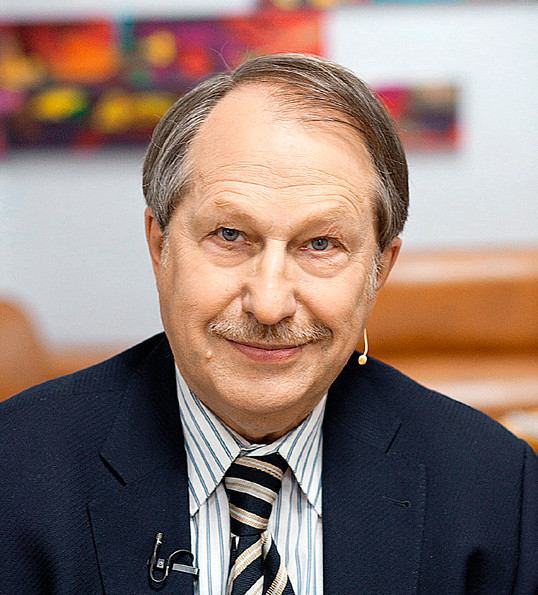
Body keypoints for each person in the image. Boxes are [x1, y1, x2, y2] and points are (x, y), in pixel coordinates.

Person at [0, 53, 535, 595]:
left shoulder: (494, 487)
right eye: (230, 235)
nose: (270, 304)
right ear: (160, 247)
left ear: (379, 271)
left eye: (321, 244)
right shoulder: (14, 470)